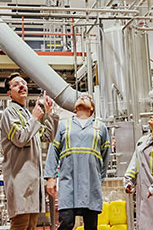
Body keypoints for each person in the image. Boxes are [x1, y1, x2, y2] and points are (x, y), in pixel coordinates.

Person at [0, 73, 59, 230]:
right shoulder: (9, 113)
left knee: (31, 226)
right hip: (19, 182)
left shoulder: (25, 113)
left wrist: (49, 113)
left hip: (33, 185)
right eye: (16, 84)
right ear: (9, 93)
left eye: (23, 83)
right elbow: (20, 139)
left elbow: (48, 136)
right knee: (20, 224)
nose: (21, 86)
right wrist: (34, 118)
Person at [44, 94, 111, 230]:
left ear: (91, 108)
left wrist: (99, 178)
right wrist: (50, 178)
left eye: (87, 97)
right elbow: (53, 151)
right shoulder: (64, 125)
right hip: (69, 182)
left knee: (91, 226)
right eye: (80, 97)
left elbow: (105, 156)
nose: (82, 98)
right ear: (74, 108)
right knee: (66, 223)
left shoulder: (100, 127)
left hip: (91, 183)